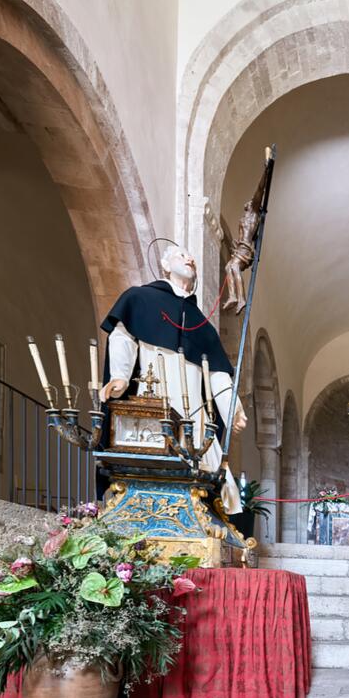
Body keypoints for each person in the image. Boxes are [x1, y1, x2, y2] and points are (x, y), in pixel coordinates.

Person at [99, 244, 247, 512]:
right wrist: (119, 376)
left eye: (192, 257)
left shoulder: (201, 322)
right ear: (165, 265)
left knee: (201, 473)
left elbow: (217, 373)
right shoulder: (139, 299)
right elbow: (122, 336)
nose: (190, 258)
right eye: (181, 255)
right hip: (153, 403)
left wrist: (232, 408)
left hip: (192, 412)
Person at [222, 150, 269, 313]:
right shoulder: (245, 216)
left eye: (249, 202)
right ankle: (233, 296)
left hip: (246, 248)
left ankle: (240, 299)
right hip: (240, 247)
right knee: (228, 267)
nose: (247, 203)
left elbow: (260, 189)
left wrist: (266, 170)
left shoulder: (253, 213)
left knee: (233, 267)